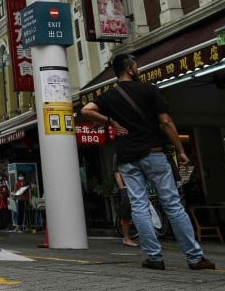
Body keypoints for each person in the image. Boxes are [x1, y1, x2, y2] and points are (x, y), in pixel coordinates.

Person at [81, 52, 215, 271]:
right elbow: (166, 122)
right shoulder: (150, 90)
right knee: (172, 204)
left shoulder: (110, 95)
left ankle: (154, 257)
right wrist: (180, 150)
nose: (138, 69)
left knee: (139, 206)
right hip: (154, 154)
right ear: (130, 69)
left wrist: (110, 121)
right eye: (136, 66)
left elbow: (87, 110)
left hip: (127, 159)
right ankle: (195, 258)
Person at [113, 155, 138, 247]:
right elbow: (117, 173)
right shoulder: (118, 155)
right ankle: (126, 238)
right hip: (126, 187)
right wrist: (122, 189)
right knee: (126, 213)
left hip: (136, 185)